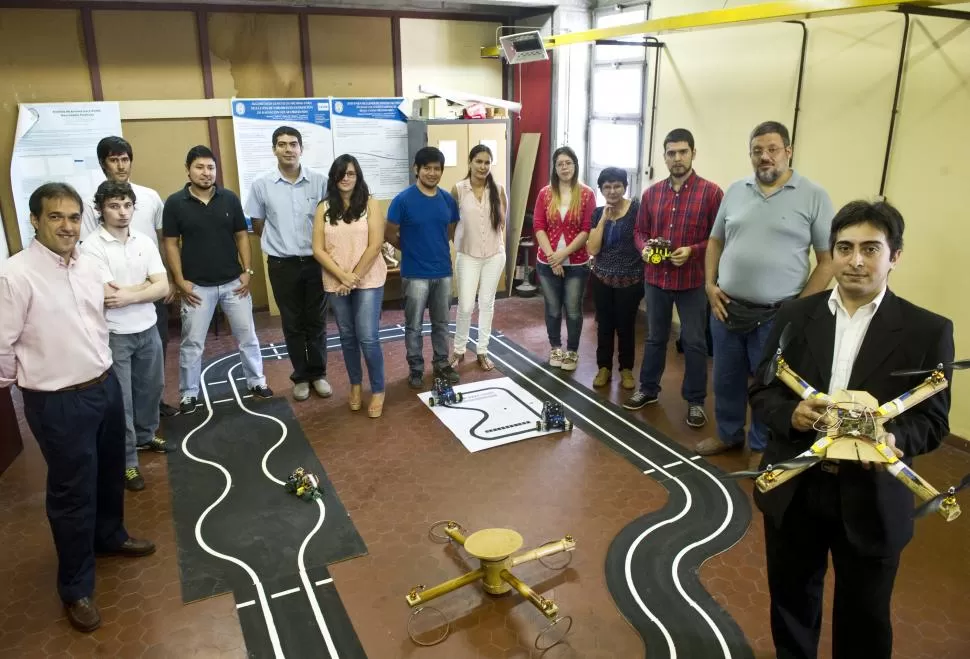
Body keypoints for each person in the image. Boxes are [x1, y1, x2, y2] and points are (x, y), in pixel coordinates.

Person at [748, 199, 952, 659]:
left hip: (873, 497)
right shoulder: (795, 317)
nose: (855, 260)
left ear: (894, 255)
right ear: (832, 252)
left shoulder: (927, 331)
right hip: (796, 487)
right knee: (792, 604)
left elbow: (933, 421)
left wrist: (895, 440)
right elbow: (761, 392)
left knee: (864, 618)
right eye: (844, 248)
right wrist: (791, 415)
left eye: (870, 249)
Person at [0, 183, 155, 633]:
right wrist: (21, 388)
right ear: (35, 220)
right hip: (56, 401)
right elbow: (3, 347)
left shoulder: (87, 264)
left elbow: (99, 316)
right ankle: (75, 586)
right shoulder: (16, 275)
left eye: (72, 217)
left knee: (109, 473)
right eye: (55, 217)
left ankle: (110, 537)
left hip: (104, 386)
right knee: (72, 494)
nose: (67, 226)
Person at [702, 121, 835, 470]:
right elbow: (715, 240)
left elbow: (828, 260)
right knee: (726, 377)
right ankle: (729, 434)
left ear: (788, 152)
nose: (765, 157)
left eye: (772, 149)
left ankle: (763, 443)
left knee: (770, 384)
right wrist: (709, 285)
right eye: (757, 151)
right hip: (726, 307)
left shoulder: (814, 195)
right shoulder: (735, 190)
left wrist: (799, 307)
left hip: (776, 316)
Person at [162, 145, 273, 412]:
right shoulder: (175, 203)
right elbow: (170, 243)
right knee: (192, 343)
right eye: (199, 167)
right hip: (196, 287)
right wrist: (179, 280)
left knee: (247, 336)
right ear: (187, 170)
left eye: (210, 167)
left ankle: (256, 381)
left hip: (234, 284)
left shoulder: (229, 199)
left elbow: (241, 236)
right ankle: (189, 393)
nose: (206, 173)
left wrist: (247, 271)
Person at [626, 129, 723, 429]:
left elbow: (719, 239)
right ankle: (648, 389)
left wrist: (692, 251)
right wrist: (643, 250)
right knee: (655, 338)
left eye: (683, 152)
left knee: (694, 342)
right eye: (671, 153)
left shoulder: (711, 193)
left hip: (693, 282)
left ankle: (695, 401)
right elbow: (639, 232)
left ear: (694, 153)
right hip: (656, 280)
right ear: (664, 156)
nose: (677, 158)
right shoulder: (651, 194)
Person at [81, 181, 173, 492]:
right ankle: (128, 462)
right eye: (113, 206)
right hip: (115, 334)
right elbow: (109, 296)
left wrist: (132, 293)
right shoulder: (91, 246)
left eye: (127, 206)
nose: (122, 212)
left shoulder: (144, 241)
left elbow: (164, 287)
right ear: (100, 210)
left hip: (147, 328)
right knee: (123, 403)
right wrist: (146, 288)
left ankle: (146, 437)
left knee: (151, 388)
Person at [80, 136, 179, 417]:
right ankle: (129, 427)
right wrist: (148, 287)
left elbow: (162, 240)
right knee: (121, 374)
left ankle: (153, 407)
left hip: (149, 285)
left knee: (155, 356)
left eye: (125, 159)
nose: (121, 165)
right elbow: (102, 279)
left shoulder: (148, 196)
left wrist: (164, 280)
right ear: (103, 164)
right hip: (115, 308)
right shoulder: (91, 204)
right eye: (114, 160)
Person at [245, 126, 330, 402]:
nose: (288, 149)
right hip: (282, 265)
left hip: (316, 262)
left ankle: (318, 374)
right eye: (281, 144)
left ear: (301, 149)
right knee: (292, 323)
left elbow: (330, 220)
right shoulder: (261, 184)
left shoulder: (320, 182)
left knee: (316, 321)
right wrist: (280, 244)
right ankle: (301, 377)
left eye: (293, 144)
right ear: (274, 150)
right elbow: (258, 224)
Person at [312, 155, 388, 418]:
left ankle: (378, 389)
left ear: (358, 177)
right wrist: (342, 277)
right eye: (341, 174)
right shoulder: (323, 208)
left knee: (367, 337)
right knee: (347, 337)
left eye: (351, 174)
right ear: (334, 177)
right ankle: (356, 385)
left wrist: (352, 277)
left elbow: (375, 245)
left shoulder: (370, 205)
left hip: (367, 280)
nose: (346, 178)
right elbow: (318, 250)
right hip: (336, 281)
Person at [385, 146, 461, 390]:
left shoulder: (448, 200)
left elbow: (449, 231)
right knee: (414, 325)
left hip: (443, 272)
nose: (431, 173)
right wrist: (410, 248)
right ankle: (415, 368)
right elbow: (389, 234)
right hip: (415, 273)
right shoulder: (403, 200)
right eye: (426, 168)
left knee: (441, 323)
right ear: (416, 169)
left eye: (436, 169)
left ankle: (441, 363)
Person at [532, 146, 595, 371]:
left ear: (575, 165)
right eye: (560, 164)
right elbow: (539, 226)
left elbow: (587, 229)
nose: (565, 167)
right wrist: (552, 257)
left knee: (573, 309)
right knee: (553, 308)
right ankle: (555, 347)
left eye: (568, 163)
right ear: (555, 168)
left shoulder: (587, 193)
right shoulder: (545, 193)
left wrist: (562, 255)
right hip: (547, 262)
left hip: (576, 263)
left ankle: (572, 351)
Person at [449, 144, 507, 371]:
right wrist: (459, 245)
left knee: (487, 303)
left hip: (494, 255)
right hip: (467, 256)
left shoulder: (498, 189)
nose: (483, 166)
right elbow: (451, 224)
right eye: (479, 161)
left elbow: (502, 222)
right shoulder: (458, 189)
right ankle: (459, 349)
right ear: (470, 162)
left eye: (487, 162)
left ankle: (482, 350)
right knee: (464, 305)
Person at [585, 167, 642, 390]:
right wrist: (602, 221)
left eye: (617, 185)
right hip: (602, 278)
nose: (612, 191)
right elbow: (593, 248)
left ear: (625, 187)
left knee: (626, 325)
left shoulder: (636, 210)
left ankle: (626, 369)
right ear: (601, 189)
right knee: (605, 325)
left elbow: (642, 240)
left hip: (631, 279)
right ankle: (604, 368)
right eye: (607, 187)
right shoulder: (598, 213)